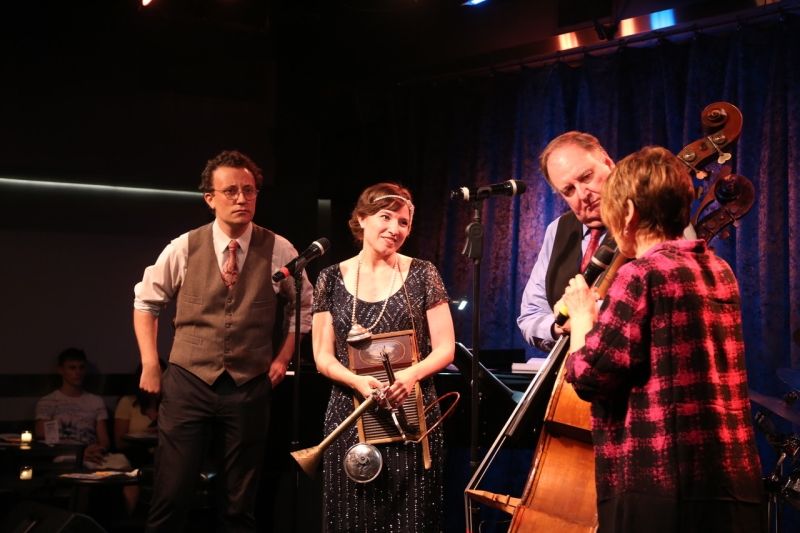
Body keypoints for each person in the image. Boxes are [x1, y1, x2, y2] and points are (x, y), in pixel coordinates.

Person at [561, 146, 764, 533]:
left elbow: (589, 377)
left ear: (630, 213)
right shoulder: (719, 269)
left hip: (660, 484)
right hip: (729, 481)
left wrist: (585, 317)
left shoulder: (640, 275)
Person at [133, 149, 313, 532]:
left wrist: (283, 358)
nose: (241, 199)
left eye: (248, 191)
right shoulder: (184, 246)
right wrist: (151, 363)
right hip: (188, 380)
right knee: (172, 493)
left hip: (249, 385)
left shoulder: (279, 248)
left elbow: (303, 309)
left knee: (239, 502)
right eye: (230, 191)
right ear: (210, 199)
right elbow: (146, 303)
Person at [311, 183, 455, 532]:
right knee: (352, 518)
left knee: (413, 519)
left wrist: (410, 376)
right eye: (385, 217)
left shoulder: (423, 273)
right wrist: (356, 380)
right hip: (350, 416)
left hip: (412, 419)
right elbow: (321, 356)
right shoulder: (329, 279)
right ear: (361, 219)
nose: (395, 229)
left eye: (404, 222)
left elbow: (446, 347)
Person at [517, 131, 614, 352]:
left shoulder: (647, 217)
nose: (582, 194)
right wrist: (558, 327)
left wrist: (586, 315)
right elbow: (530, 316)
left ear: (607, 162)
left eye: (586, 176)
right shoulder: (557, 230)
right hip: (569, 377)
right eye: (569, 190)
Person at [35, 347, 110, 467]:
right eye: (72, 368)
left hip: (92, 454)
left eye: (81, 367)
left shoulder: (96, 401)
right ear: (61, 370)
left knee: (123, 467)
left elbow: (104, 440)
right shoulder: (49, 401)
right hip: (63, 455)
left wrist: (97, 449)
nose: (77, 372)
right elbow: (42, 436)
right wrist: (78, 453)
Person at [114, 360, 166, 516]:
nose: (159, 379)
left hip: (165, 454)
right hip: (135, 454)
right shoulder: (128, 402)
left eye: (162, 375)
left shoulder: (171, 403)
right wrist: (145, 433)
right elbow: (119, 442)